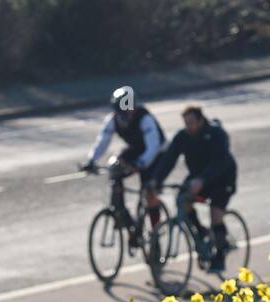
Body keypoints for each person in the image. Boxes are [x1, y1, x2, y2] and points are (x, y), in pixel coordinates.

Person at [151, 105, 237, 273]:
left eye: (191, 122)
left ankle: (220, 254)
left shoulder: (216, 134)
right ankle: (200, 231)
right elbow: (169, 159)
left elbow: (220, 161)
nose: (189, 127)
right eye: (186, 123)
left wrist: (202, 180)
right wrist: (157, 180)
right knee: (182, 199)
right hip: (198, 177)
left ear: (200, 120)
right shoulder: (183, 137)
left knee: (215, 214)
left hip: (222, 178)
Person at [81, 86, 165, 232]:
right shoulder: (113, 119)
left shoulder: (145, 118)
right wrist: (91, 160)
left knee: (149, 192)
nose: (123, 116)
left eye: (127, 111)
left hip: (156, 153)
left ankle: (156, 231)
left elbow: (153, 146)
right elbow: (102, 141)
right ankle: (121, 214)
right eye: (119, 112)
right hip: (136, 149)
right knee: (114, 168)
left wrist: (141, 163)